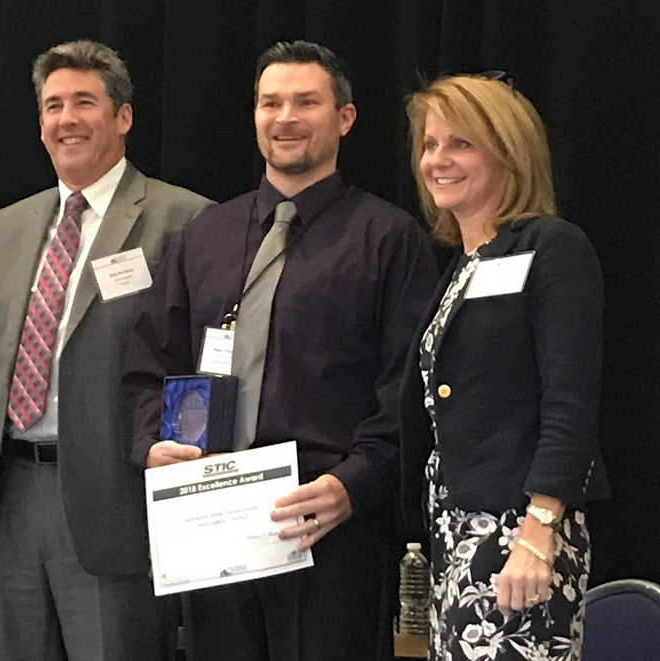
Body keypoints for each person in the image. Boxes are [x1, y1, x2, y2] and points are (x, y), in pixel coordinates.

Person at [122, 40, 437, 661]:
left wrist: (356, 484)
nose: (285, 117)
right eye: (271, 103)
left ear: (344, 118)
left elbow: (409, 389)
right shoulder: (204, 236)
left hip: (326, 518)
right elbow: (147, 364)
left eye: (305, 102)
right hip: (212, 514)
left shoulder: (389, 237)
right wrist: (149, 445)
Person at [0, 40, 212, 660]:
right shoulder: (6, 226)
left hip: (115, 502)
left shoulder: (185, 218)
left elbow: (200, 367)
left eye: (84, 103)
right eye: (53, 105)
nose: (67, 119)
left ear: (122, 117)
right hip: (8, 501)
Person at [399, 74, 610, 659]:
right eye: (430, 144)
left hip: (521, 534)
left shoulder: (552, 247)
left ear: (509, 155)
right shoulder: (460, 268)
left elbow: (570, 403)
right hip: (455, 533)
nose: (438, 160)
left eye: (460, 144)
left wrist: (537, 535)